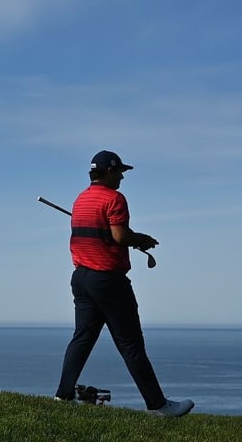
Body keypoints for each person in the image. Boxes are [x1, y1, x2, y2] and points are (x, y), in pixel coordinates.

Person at [53, 150, 194, 417]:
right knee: (130, 344)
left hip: (81, 279)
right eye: (119, 172)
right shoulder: (115, 198)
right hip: (108, 281)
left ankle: (63, 395)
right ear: (108, 171)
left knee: (82, 338)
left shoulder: (81, 199)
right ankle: (158, 406)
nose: (121, 178)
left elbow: (103, 235)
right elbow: (119, 236)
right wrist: (141, 239)